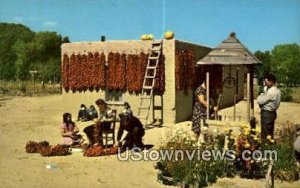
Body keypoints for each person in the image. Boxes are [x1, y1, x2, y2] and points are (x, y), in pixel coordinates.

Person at [257, 73, 281, 140]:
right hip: (272, 112)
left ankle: (266, 147)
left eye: (266, 82)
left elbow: (259, 101)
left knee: (265, 132)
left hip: (267, 113)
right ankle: (270, 145)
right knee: (270, 131)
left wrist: (261, 94)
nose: (265, 83)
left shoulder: (270, 92)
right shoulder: (278, 91)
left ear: (271, 81)